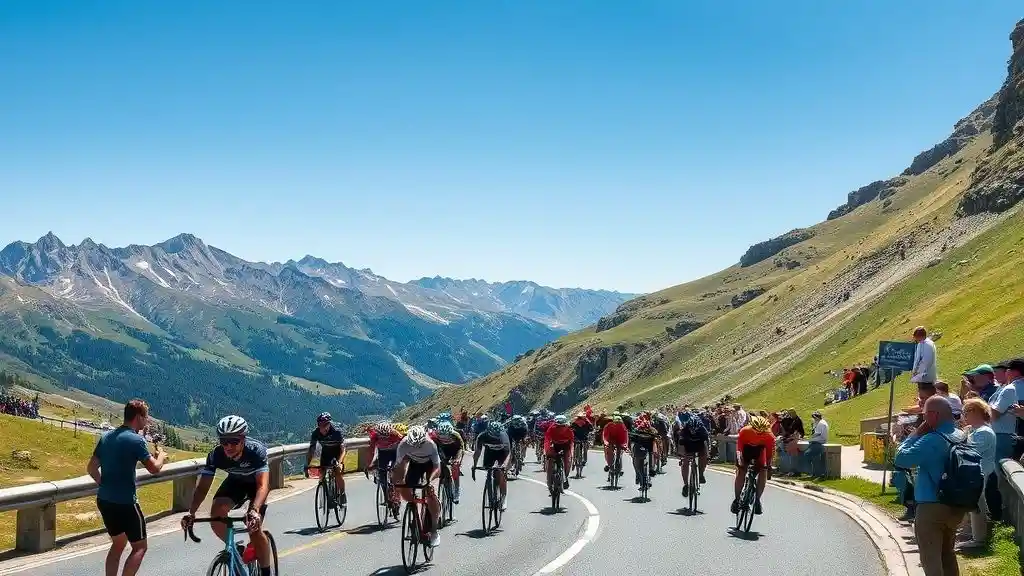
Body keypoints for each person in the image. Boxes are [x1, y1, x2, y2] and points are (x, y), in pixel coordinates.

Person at [181, 416, 273, 576]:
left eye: (234, 441)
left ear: (243, 439)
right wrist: (192, 512)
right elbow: (203, 487)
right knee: (216, 514)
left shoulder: (255, 451)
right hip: (235, 482)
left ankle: (266, 572)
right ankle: (234, 550)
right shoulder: (216, 455)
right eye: (224, 441)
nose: (228, 446)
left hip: (255, 486)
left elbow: (262, 485)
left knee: (254, 529)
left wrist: (255, 510)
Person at [87, 399, 167, 576]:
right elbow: (154, 468)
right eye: (145, 417)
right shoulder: (136, 441)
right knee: (140, 547)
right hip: (125, 502)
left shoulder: (106, 437)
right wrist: (161, 456)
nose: (146, 421)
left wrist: (104, 484)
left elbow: (91, 468)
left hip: (105, 500)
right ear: (138, 417)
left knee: (118, 544)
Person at [894, 396, 972, 576]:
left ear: (934, 415)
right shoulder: (961, 435)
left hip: (931, 505)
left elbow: (901, 459)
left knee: (931, 558)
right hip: (955, 504)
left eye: (924, 415)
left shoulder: (932, 439)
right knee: (947, 554)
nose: (923, 419)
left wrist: (915, 435)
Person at [393, 425, 442, 547]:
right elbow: (398, 467)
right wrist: (396, 485)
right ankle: (414, 511)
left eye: (419, 445)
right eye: (412, 445)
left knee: (431, 492)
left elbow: (437, 468)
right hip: (414, 464)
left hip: (430, 465)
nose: (416, 447)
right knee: (404, 487)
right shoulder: (403, 444)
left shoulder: (430, 444)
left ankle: (434, 530)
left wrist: (429, 481)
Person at [959, 398, 996, 550]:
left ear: (975, 411)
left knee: (977, 506)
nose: (964, 416)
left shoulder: (984, 432)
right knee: (973, 504)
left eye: (966, 412)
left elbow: (971, 452)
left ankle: (979, 539)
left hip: (979, 473)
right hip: (974, 472)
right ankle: (971, 533)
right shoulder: (976, 431)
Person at [732, 415, 774, 515]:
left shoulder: (769, 436)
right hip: (746, 450)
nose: (759, 433)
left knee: (763, 470)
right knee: (741, 471)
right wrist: (740, 462)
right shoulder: (744, 431)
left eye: (762, 431)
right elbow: (739, 450)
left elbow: (769, 454)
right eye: (756, 431)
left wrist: (768, 466)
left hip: (760, 451)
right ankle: (737, 500)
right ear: (752, 427)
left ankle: (757, 501)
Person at [304, 412, 347, 507]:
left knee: (337, 471)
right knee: (322, 472)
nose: (322, 427)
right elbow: (311, 450)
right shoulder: (316, 433)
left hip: (337, 453)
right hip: (325, 454)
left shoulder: (337, 432)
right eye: (320, 425)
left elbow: (343, 450)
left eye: (325, 425)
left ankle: (342, 494)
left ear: (329, 424)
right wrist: (307, 465)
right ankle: (326, 492)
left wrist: (340, 463)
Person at [472, 420, 512, 511]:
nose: (495, 438)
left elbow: (508, 454)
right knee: (489, 469)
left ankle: (503, 497)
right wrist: (474, 466)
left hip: (503, 452)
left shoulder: (504, 436)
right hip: (490, 452)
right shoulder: (482, 436)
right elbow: (477, 452)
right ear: (488, 432)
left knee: (501, 472)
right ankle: (489, 482)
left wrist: (504, 467)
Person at [674, 409, 709, 498]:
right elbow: (681, 444)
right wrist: (681, 454)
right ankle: (686, 484)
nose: (693, 431)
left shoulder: (702, 429)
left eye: (695, 430)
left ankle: (701, 474)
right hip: (688, 443)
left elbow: (706, 443)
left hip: (700, 442)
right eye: (691, 430)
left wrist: (707, 455)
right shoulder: (684, 430)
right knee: (685, 462)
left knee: (704, 457)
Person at [433, 421, 465, 504]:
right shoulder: (435, 434)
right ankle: (443, 480)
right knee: (440, 464)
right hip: (443, 450)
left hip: (455, 450)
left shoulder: (456, 435)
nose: (444, 438)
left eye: (446, 436)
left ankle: (456, 491)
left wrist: (458, 461)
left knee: (455, 467)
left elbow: (461, 449)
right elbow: (434, 449)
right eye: (441, 436)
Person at [543, 414, 574, 490]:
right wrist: (547, 452)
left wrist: (571, 454)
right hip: (554, 446)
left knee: (567, 461)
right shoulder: (551, 429)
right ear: (556, 424)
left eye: (562, 426)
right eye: (559, 426)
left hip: (565, 446)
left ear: (565, 424)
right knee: (550, 460)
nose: (561, 427)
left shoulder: (569, 430)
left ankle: (565, 477)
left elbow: (571, 442)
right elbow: (547, 440)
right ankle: (549, 480)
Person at [628, 416, 658, 488]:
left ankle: (642, 474)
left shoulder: (637, 430)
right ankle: (650, 470)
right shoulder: (651, 430)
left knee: (637, 459)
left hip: (641, 447)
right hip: (646, 447)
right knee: (651, 453)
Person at [805, 411, 829, 479]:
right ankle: (815, 473)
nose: (813, 420)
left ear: (816, 417)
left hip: (818, 442)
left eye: (814, 418)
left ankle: (812, 473)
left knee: (807, 454)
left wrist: (809, 438)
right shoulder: (823, 422)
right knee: (814, 457)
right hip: (820, 442)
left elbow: (816, 434)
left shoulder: (820, 424)